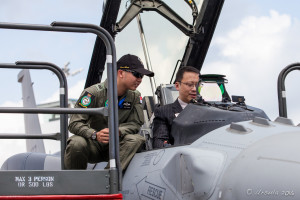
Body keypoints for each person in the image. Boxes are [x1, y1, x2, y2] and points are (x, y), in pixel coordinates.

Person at [65, 54, 154, 171]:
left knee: (136, 139)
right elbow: (74, 123)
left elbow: (135, 123)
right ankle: (74, 183)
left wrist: (118, 131)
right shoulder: (92, 93)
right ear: (121, 73)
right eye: (137, 74)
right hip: (92, 144)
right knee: (76, 143)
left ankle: (107, 179)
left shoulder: (135, 96)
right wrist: (94, 134)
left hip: (116, 146)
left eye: (142, 76)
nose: (140, 79)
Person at [152, 66, 200, 148]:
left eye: (198, 85)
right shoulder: (163, 112)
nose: (194, 89)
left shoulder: (211, 111)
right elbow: (159, 143)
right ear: (177, 86)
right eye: (190, 84)